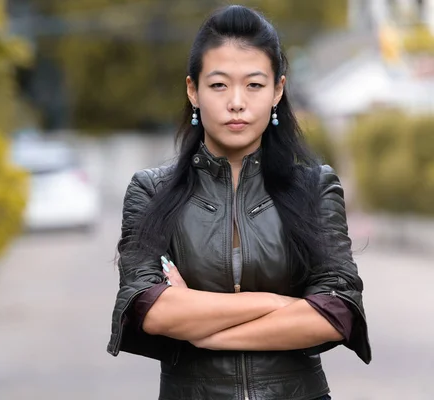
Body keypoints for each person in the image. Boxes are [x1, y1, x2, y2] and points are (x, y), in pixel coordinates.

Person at [107, 5, 371, 400]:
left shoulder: (315, 187)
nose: (236, 102)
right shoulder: (151, 191)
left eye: (253, 85)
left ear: (278, 91)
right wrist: (277, 303)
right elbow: (150, 309)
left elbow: (338, 311)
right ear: (193, 90)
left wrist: (204, 329)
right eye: (218, 85)